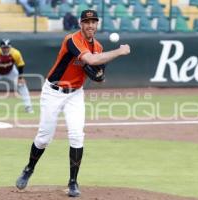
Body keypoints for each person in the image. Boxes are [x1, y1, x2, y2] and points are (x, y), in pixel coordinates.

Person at [15, 9, 130, 197]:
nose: (90, 25)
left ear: (97, 24)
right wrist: (119, 51)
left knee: (77, 135)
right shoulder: (72, 40)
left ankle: (73, 182)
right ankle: (29, 169)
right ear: (81, 24)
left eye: (94, 22)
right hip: (54, 91)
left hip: (75, 93)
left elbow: (95, 70)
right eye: (87, 22)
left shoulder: (99, 47)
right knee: (44, 138)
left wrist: (99, 74)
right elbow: (91, 59)